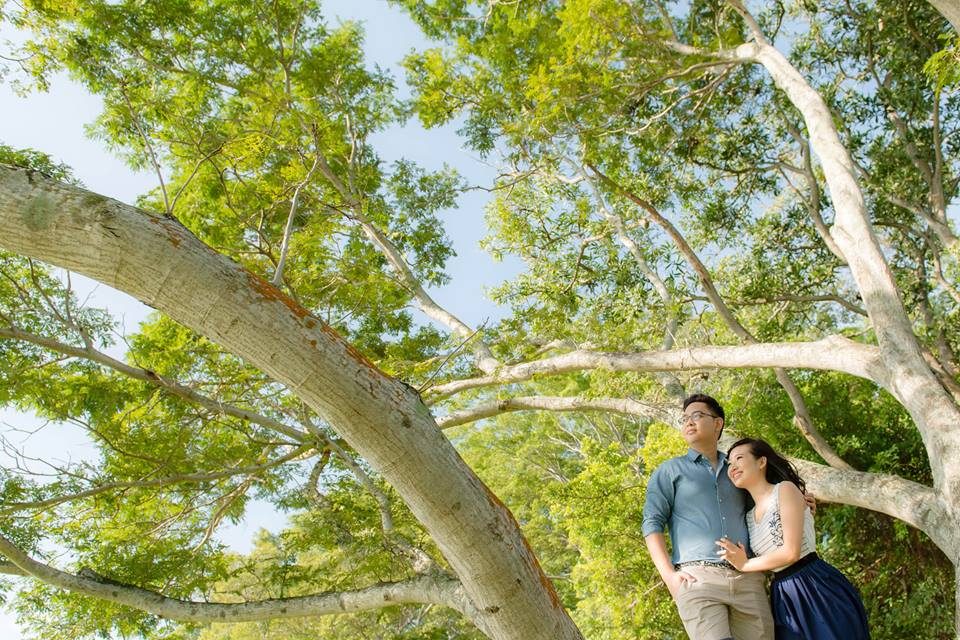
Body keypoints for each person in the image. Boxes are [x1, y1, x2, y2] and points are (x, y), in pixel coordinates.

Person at [642, 394, 774, 640]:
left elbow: (766, 499)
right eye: (685, 419)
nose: (689, 422)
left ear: (718, 423)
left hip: (748, 578)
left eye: (697, 415)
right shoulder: (670, 470)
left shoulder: (738, 468)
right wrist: (669, 576)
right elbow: (652, 523)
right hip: (698, 578)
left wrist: (802, 501)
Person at [717, 438, 870, 640]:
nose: (733, 466)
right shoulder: (747, 517)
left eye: (739, 458)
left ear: (761, 462)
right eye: (729, 463)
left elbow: (791, 552)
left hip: (816, 586)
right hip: (784, 597)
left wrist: (745, 564)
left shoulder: (785, 489)